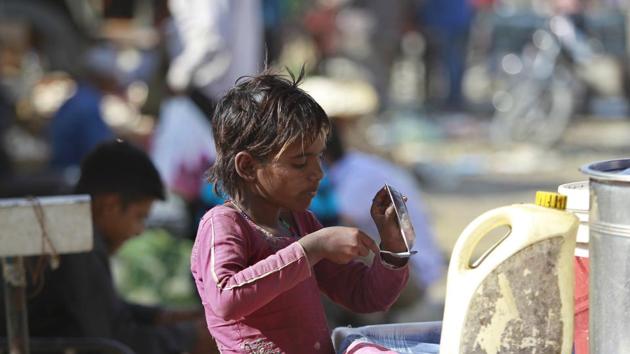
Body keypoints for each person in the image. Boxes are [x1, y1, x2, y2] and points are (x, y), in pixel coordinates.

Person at [190, 69, 411, 353]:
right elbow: (225, 299)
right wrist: (310, 250)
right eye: (300, 163)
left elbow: (365, 296)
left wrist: (392, 247)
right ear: (247, 167)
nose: (318, 173)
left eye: (319, 157)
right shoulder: (224, 224)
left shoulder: (299, 223)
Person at [0, 140, 217, 354]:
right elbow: (113, 339)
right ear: (110, 206)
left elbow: (106, 309)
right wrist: (192, 337)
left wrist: (163, 316)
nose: (140, 230)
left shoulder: (72, 218)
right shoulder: (75, 235)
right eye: (139, 217)